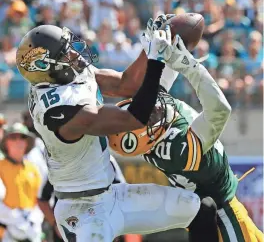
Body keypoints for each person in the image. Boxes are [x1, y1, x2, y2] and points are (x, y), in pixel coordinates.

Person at [16, 23, 216, 241]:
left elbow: (126, 84)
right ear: (46, 67)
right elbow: (133, 118)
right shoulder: (57, 111)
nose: (74, 53)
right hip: (80, 211)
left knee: (203, 208)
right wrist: (156, 60)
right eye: (64, 53)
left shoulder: (65, 77)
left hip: (112, 195)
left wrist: (152, 45)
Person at [109, 16, 263, 242]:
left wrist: (165, 46)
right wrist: (189, 65)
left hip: (201, 210)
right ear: (147, 137)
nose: (153, 107)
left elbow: (158, 87)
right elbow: (219, 110)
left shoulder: (151, 130)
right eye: (149, 115)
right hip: (222, 212)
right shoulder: (177, 149)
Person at [0, 123, 43, 242]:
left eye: (23, 137)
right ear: (5, 143)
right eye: (13, 137)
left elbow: (39, 199)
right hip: (5, 232)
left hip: (31, 230)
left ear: (27, 142)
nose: (19, 141)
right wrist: (13, 217)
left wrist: (34, 218)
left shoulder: (33, 169)